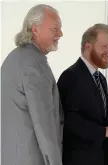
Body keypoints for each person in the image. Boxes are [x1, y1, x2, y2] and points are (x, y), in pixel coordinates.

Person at [1, 4, 63, 165]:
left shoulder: (13, 58)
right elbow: (44, 125)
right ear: (35, 29)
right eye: (54, 29)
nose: (60, 34)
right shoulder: (34, 65)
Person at [57, 23, 108, 165]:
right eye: (104, 46)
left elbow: (101, 118)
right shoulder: (70, 76)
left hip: (99, 157)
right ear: (88, 46)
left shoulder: (101, 79)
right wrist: (104, 132)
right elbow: (68, 121)